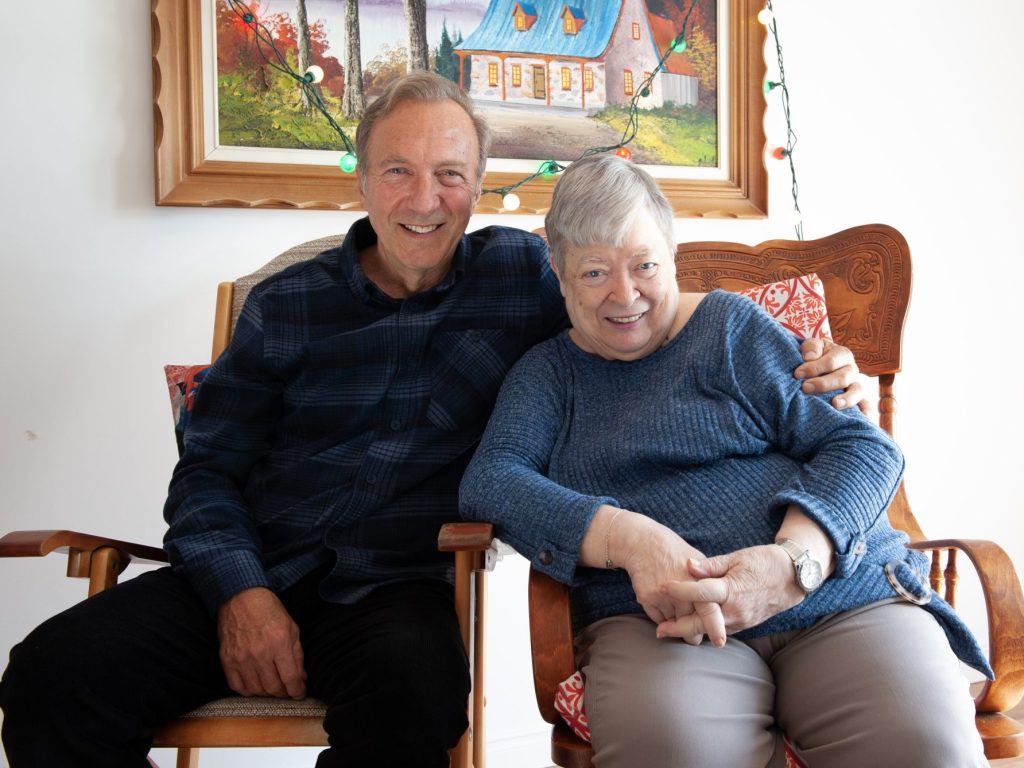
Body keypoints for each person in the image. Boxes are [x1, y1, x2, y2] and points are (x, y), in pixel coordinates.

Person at [0, 74, 864, 767]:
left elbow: (637, 295)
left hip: (393, 589)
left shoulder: (522, 279)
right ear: (363, 177)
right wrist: (243, 593)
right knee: (50, 677)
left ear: (478, 185)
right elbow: (207, 470)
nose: (425, 199)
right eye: (399, 172)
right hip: (251, 567)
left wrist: (812, 359)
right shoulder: (285, 306)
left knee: (416, 699)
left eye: (451, 173)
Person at [459, 154, 990, 768]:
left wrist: (792, 563)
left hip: (839, 598)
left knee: (926, 745)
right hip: (663, 625)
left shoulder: (731, 328)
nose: (624, 294)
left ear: (671, 252)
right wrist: (628, 539)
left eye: (644, 265)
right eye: (595, 272)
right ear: (558, 272)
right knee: (672, 751)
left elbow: (863, 447)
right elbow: (493, 480)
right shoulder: (549, 376)